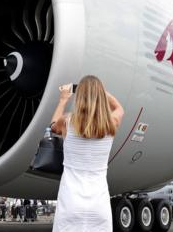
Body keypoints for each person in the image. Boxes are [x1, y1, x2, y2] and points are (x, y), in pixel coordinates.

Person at [50, 75, 124, 232]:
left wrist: (63, 99)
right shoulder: (111, 124)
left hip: (70, 202)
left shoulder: (67, 122)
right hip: (99, 204)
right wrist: (100, 92)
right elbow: (119, 108)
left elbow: (53, 126)